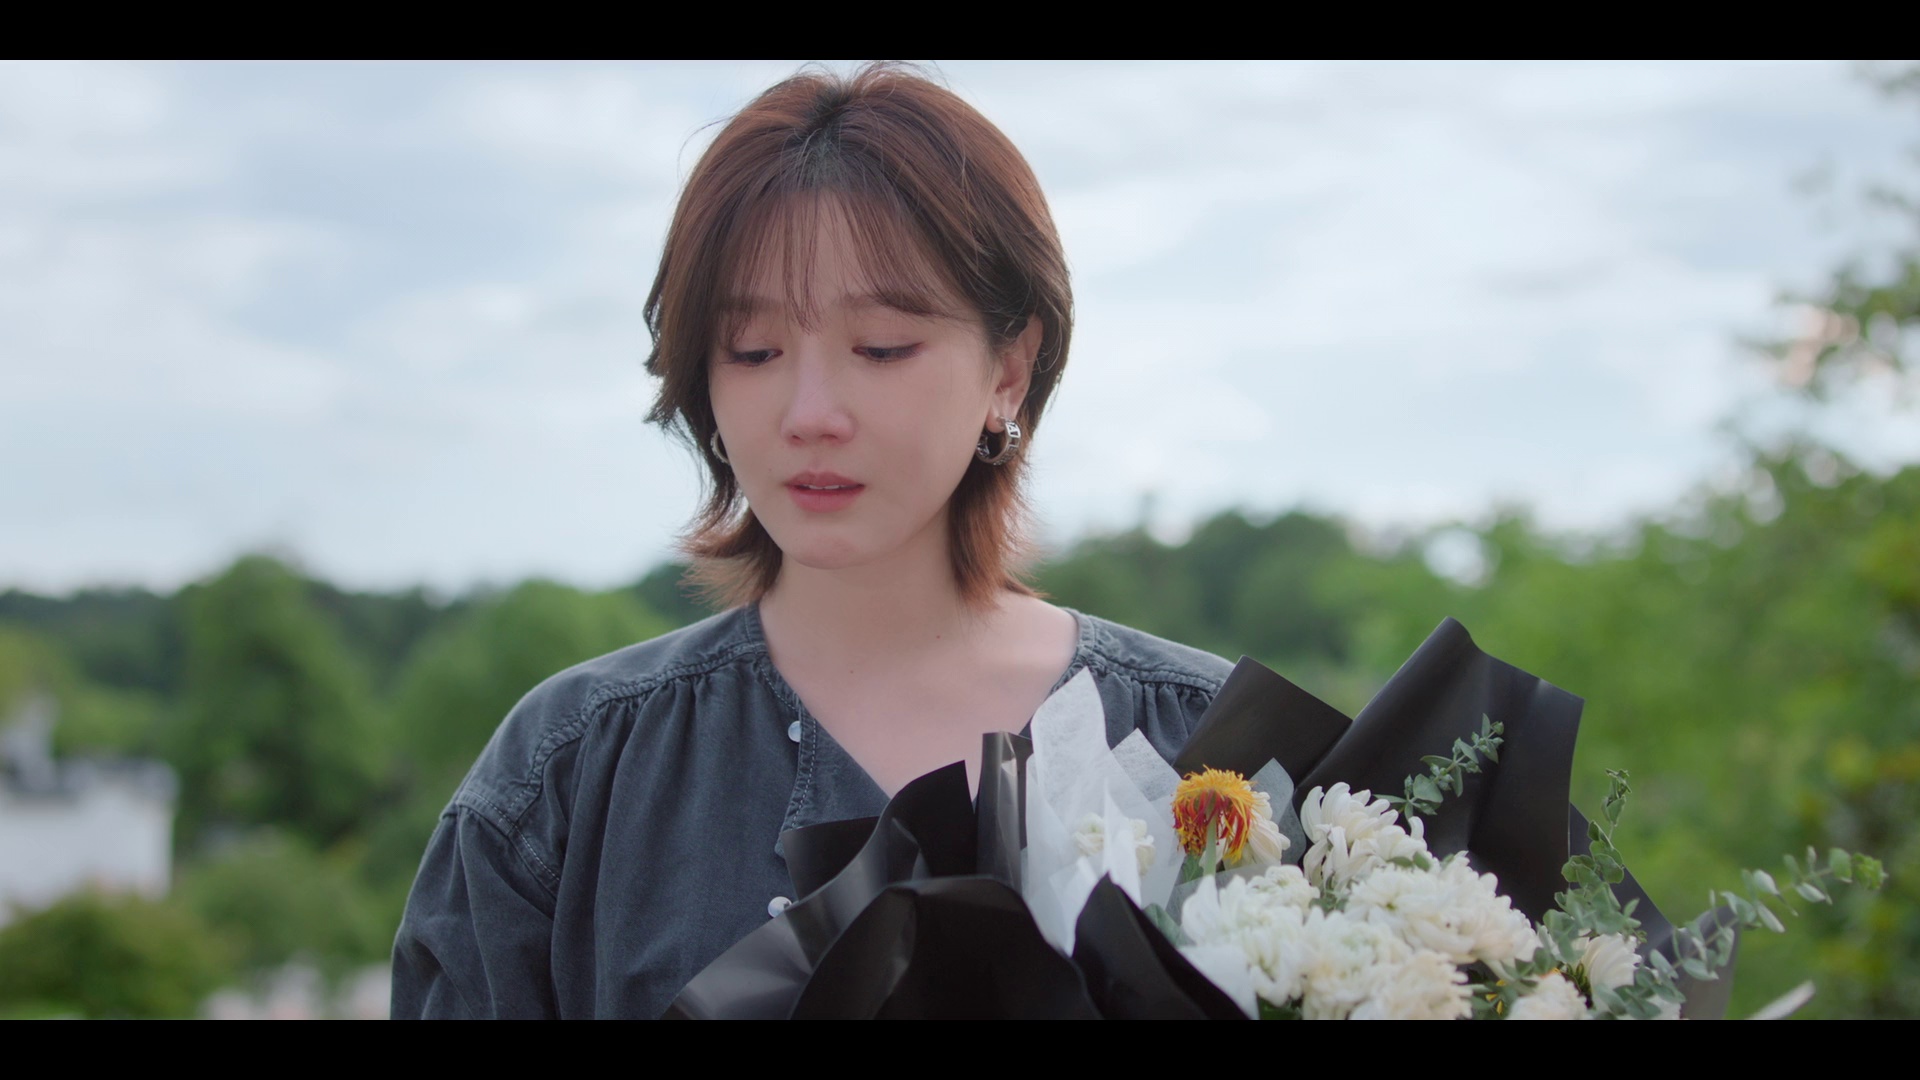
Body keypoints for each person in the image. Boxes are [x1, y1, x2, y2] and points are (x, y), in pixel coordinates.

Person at [389, 63, 1234, 1019]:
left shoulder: (1208, 758)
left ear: (1010, 367)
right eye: (753, 351)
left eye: (880, 347)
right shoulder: (571, 779)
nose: (809, 414)